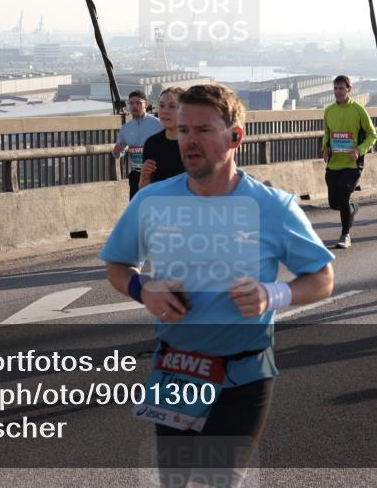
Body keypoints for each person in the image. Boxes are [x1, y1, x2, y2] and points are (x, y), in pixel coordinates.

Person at [101, 84, 334, 487]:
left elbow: (322, 279)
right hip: (176, 371)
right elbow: (117, 265)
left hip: (242, 375)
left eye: (204, 130)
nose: (190, 141)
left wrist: (272, 294)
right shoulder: (151, 201)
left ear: (235, 137)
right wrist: (143, 290)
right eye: (185, 130)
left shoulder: (273, 207)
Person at [321, 75, 377, 248]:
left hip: (352, 164)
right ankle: (352, 209)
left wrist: (359, 150)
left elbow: (372, 135)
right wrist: (325, 147)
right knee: (334, 203)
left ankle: (345, 235)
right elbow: (327, 133)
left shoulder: (358, 110)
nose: (338, 92)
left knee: (344, 198)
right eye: (336, 89)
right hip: (334, 163)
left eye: (341, 88)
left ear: (349, 90)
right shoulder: (329, 110)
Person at [113, 90, 162, 199]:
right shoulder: (125, 128)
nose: (134, 106)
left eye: (138, 103)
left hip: (155, 175)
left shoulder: (158, 124)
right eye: (131, 103)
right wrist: (116, 151)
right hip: (135, 176)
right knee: (136, 209)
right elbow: (117, 154)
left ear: (146, 104)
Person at [139, 87, 185, 189]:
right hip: (159, 204)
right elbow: (144, 189)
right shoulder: (151, 144)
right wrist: (144, 177)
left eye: (172, 106)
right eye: (161, 106)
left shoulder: (196, 144)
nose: (165, 111)